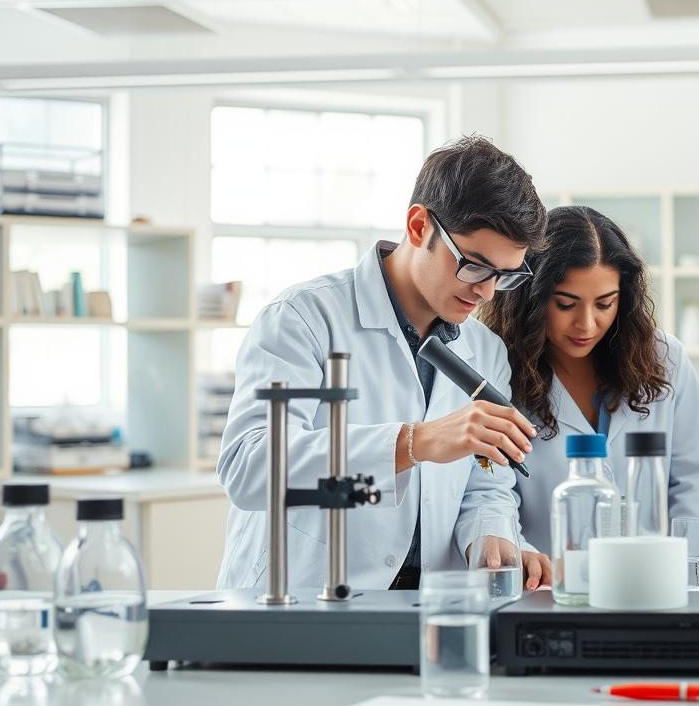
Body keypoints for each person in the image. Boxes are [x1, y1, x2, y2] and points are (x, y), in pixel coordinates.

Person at [216, 136, 552, 592]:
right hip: (302, 598)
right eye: (474, 266)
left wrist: (490, 536)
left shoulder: (485, 349)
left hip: (427, 607)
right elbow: (250, 468)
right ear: (418, 227)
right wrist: (413, 442)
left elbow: (485, 482)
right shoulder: (304, 318)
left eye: (504, 275)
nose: (486, 292)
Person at [481, 205, 699, 554]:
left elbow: (697, 483)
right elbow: (491, 491)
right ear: (531, 298)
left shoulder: (665, 358)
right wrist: (521, 553)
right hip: (547, 589)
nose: (587, 324)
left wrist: (682, 570)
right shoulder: (498, 369)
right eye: (566, 304)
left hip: (654, 584)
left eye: (605, 304)